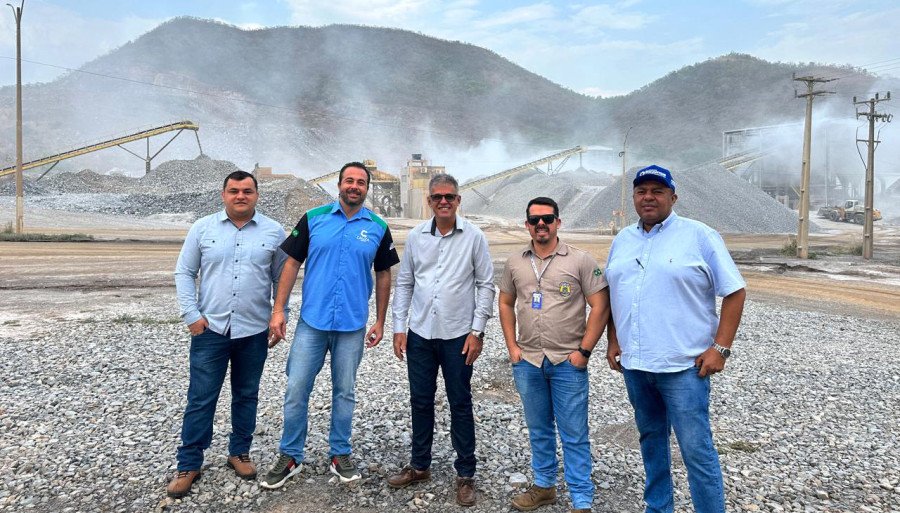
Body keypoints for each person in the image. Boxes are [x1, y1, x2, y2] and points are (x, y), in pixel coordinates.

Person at [604, 165, 746, 513]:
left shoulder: (700, 236)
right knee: (651, 442)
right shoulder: (623, 239)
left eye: (657, 191)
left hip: (684, 368)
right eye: (641, 191)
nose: (648, 197)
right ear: (634, 197)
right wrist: (613, 340)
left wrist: (720, 348)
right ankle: (658, 507)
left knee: (696, 449)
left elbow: (735, 291)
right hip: (636, 366)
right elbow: (613, 292)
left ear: (673, 197)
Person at [261, 162, 400, 489]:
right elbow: (292, 263)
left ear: (366, 188)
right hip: (313, 322)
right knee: (296, 388)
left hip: (352, 324)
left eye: (361, 182)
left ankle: (340, 452)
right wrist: (278, 310)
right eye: (349, 181)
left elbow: (383, 274)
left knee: (345, 391)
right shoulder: (313, 219)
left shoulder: (377, 227)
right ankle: (290, 454)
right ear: (338, 185)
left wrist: (380, 320)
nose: (354, 186)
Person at [168, 170, 288, 498]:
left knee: (246, 394)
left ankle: (239, 452)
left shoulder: (273, 231)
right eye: (234, 190)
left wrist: (280, 314)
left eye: (247, 191)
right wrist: (191, 315)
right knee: (201, 397)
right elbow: (184, 271)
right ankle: (189, 462)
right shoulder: (202, 228)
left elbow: (282, 278)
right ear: (223, 195)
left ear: (256, 195)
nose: (240, 196)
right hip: (211, 330)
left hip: (254, 331)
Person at [387, 174, 495, 506]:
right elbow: (404, 283)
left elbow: (486, 285)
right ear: (430, 201)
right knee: (420, 401)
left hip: (458, 336)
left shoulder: (474, 237)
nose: (444, 201)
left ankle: (465, 474)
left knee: (460, 403)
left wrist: (477, 332)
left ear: (459, 200)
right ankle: (420, 465)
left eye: (450, 196)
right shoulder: (417, 237)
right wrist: (399, 327)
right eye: (437, 197)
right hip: (420, 334)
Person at [498, 197, 610, 513]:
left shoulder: (580, 260)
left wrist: (584, 352)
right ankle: (544, 486)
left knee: (574, 432)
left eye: (547, 218)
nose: (541, 225)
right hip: (529, 361)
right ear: (527, 225)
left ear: (558, 222)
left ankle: (581, 498)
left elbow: (600, 305)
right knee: (539, 430)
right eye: (535, 220)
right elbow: (505, 302)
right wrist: (512, 348)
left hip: (567, 362)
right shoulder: (515, 262)